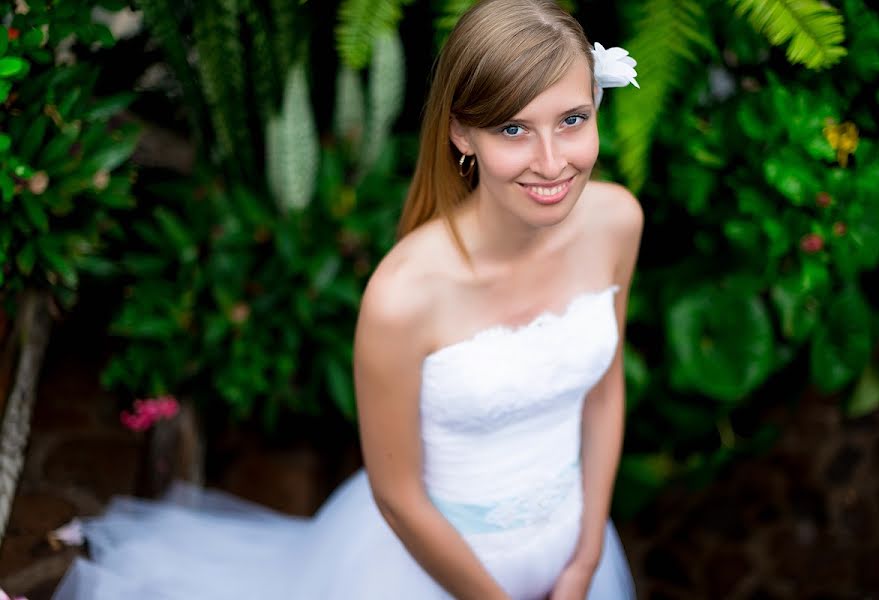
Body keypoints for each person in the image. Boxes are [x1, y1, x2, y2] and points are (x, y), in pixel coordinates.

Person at [50, 0, 641, 598]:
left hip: (574, 543)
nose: (551, 161)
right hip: (434, 568)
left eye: (572, 120)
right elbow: (399, 497)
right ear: (461, 132)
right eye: (513, 128)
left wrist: (586, 556)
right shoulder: (402, 297)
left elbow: (603, 392)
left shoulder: (616, 221)